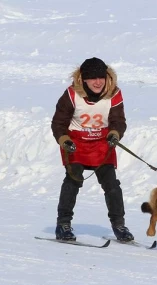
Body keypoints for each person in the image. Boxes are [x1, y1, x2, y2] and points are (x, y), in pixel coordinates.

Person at [50, 57, 134, 242]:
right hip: (76, 143)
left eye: (101, 77)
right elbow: (59, 122)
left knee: (112, 185)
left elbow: (118, 121)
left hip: (103, 143)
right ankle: (63, 224)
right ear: (84, 80)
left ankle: (119, 225)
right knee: (72, 181)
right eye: (93, 78)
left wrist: (115, 134)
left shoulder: (114, 94)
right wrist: (64, 140)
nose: (98, 82)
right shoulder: (72, 95)